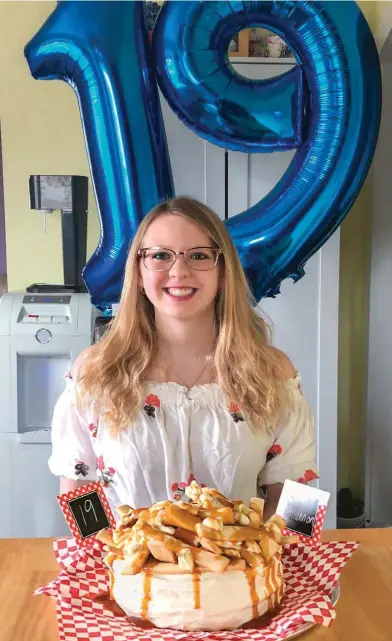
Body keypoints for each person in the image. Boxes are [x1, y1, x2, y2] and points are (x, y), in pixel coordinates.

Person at [49, 196, 318, 521]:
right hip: (126, 568)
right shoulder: (94, 372)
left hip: (241, 568)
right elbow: (78, 484)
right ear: (138, 271)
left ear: (223, 272)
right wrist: (102, 559)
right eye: (160, 255)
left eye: (199, 256)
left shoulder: (273, 372)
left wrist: (282, 562)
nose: (179, 271)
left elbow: (300, 493)